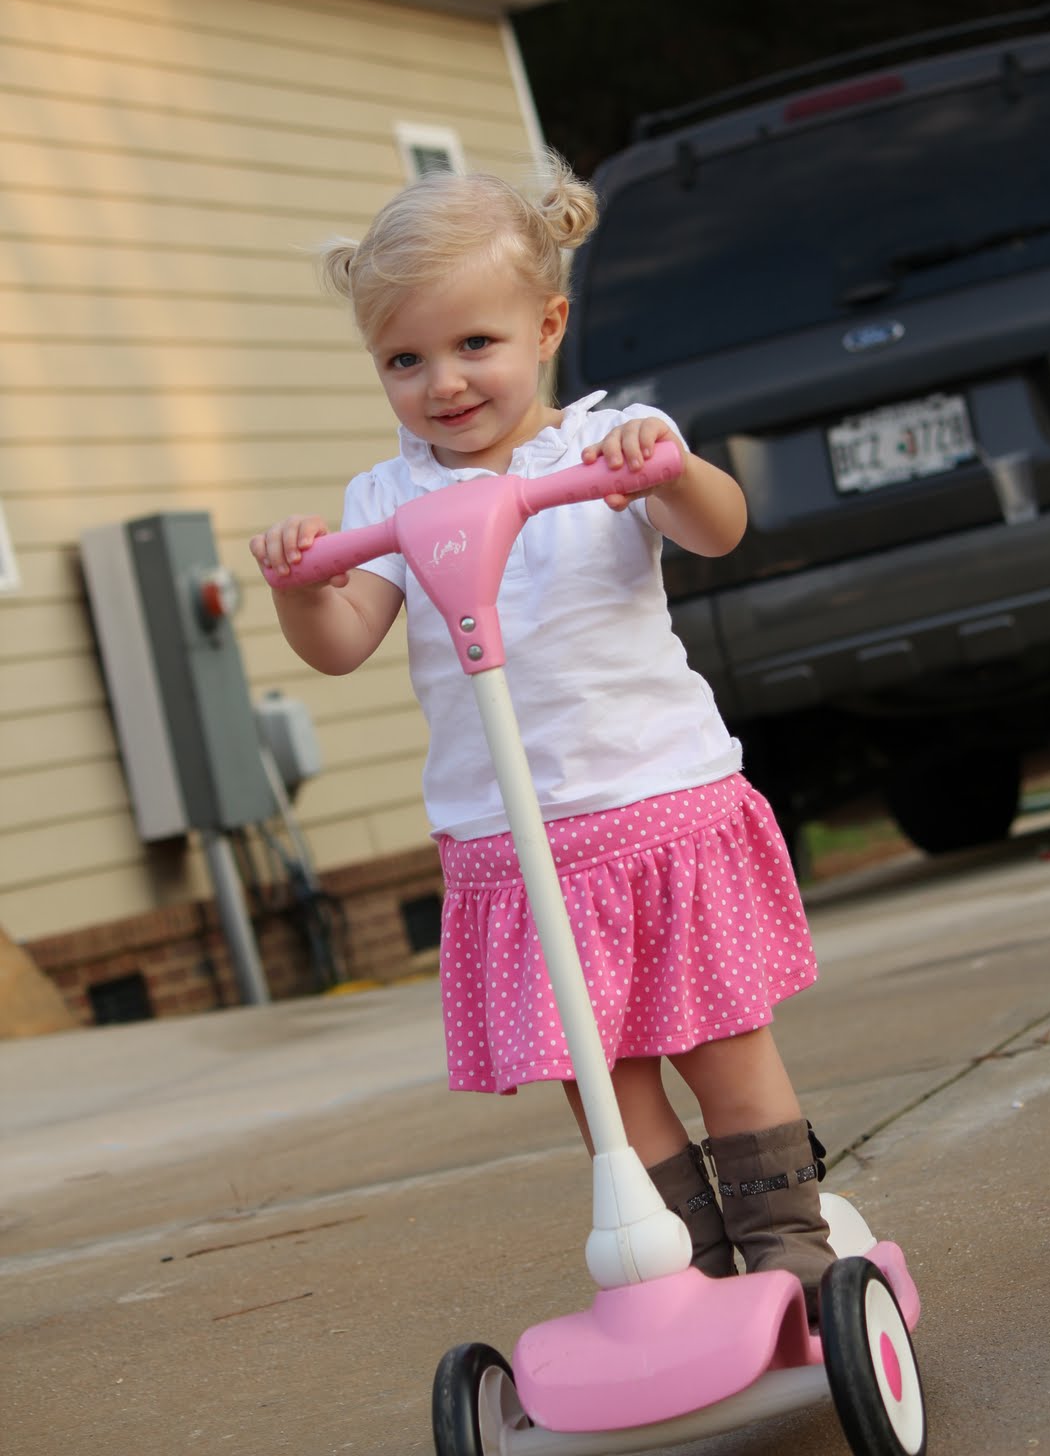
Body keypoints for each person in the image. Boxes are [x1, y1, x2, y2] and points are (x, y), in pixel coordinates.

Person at [250, 154, 835, 1320]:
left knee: (721, 1046)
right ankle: (687, 1273)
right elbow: (341, 640)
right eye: (404, 360)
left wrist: (666, 472)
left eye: (475, 344)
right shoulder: (386, 501)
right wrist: (299, 585)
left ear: (547, 325)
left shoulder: (606, 445)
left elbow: (717, 527)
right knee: (600, 1080)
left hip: (655, 807)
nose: (443, 383)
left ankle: (791, 1251)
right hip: (513, 846)